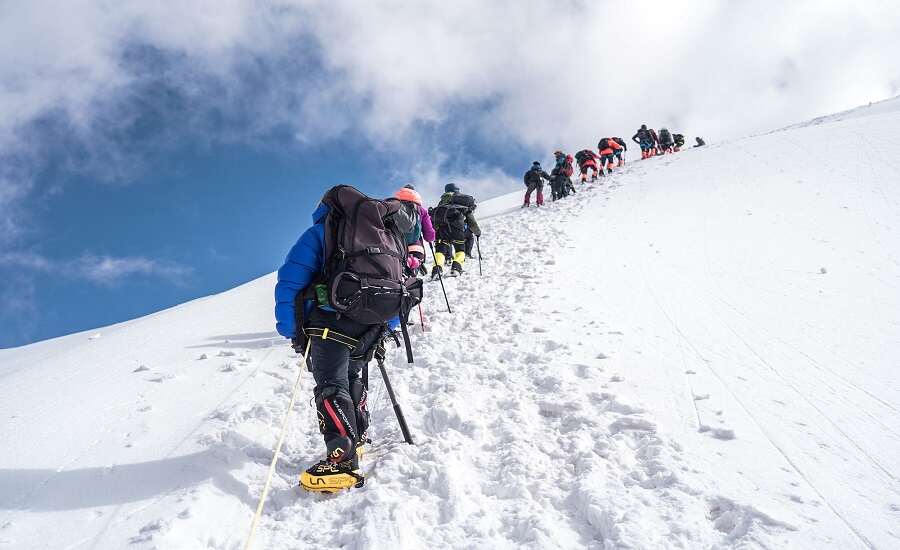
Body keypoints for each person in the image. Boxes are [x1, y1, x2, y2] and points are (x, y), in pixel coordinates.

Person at [274, 185, 417, 492]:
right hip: (373, 324)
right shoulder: (386, 235)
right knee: (351, 376)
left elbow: (290, 281)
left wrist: (291, 330)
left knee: (331, 385)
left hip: (330, 323)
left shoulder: (322, 232)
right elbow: (397, 283)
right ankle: (357, 436)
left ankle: (341, 459)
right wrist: (386, 324)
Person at [430, 183, 481, 277]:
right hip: (456, 228)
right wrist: (477, 232)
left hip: (441, 230)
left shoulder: (442, 202)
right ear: (457, 190)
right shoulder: (461, 201)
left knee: (440, 251)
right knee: (460, 250)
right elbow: (471, 220)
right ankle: (456, 269)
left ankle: (436, 271)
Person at [393, 185, 435, 276]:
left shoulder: (393, 207)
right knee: (411, 274)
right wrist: (431, 238)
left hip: (395, 246)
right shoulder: (421, 210)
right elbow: (429, 235)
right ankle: (413, 266)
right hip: (414, 247)